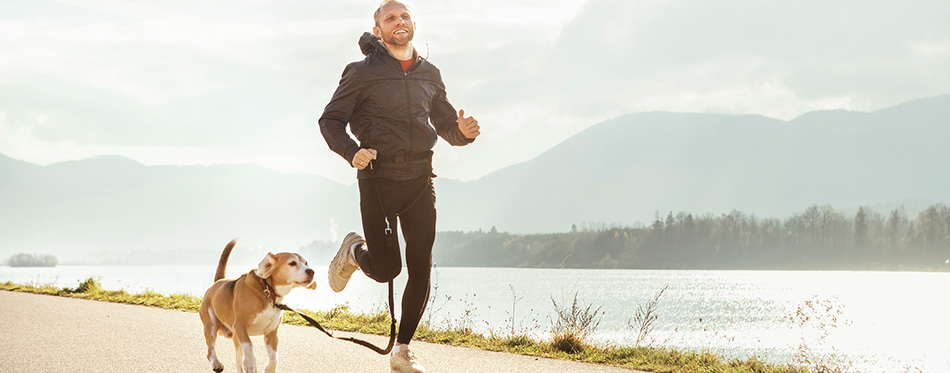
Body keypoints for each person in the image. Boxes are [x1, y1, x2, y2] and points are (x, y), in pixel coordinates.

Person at [319, 1, 480, 372]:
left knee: (420, 264)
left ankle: (403, 350)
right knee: (388, 268)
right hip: (378, 179)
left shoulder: (430, 74)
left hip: (421, 179)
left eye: (404, 15)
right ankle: (355, 251)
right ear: (378, 32)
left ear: (414, 24)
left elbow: (445, 125)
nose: (399, 21)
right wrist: (351, 152)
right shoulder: (361, 73)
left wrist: (463, 133)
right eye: (390, 18)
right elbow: (330, 121)